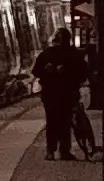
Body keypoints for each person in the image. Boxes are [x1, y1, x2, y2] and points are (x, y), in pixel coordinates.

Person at [31, 26, 96, 160]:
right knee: (65, 122)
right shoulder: (74, 54)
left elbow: (35, 72)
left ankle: (50, 151)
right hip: (68, 93)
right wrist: (68, 73)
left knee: (52, 122)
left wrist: (47, 70)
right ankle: (64, 151)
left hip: (50, 94)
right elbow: (83, 74)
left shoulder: (46, 54)